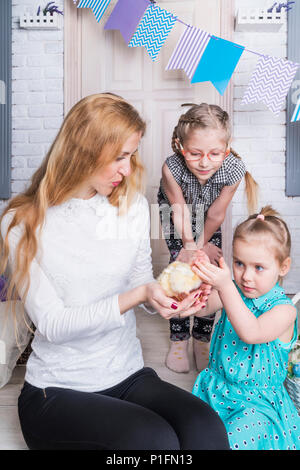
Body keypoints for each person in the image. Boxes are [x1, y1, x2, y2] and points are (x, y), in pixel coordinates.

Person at [0, 93, 229, 450]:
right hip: (57, 390)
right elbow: (53, 325)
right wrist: (140, 294)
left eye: (131, 155)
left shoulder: (132, 207)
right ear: (85, 151)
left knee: (206, 429)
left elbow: (141, 284)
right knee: (156, 441)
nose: (127, 168)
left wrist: (167, 294)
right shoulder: (23, 222)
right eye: (119, 157)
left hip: (126, 374)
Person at [157, 103, 259, 373]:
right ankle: (179, 340)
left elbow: (215, 214)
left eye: (215, 154)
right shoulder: (172, 168)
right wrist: (188, 248)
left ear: (226, 150)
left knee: (210, 268)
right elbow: (177, 208)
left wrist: (201, 248)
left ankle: (202, 339)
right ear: (181, 147)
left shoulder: (233, 170)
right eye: (195, 153)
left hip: (209, 218)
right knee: (178, 269)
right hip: (176, 213)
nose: (205, 162)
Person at [190, 206, 300, 450]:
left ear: (283, 267)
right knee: (192, 434)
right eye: (239, 263)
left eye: (258, 267)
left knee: (231, 442)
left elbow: (251, 332)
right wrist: (198, 285)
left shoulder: (285, 311)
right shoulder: (234, 290)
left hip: (257, 404)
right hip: (215, 389)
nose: (246, 276)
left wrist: (225, 287)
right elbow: (202, 309)